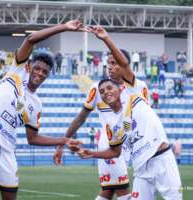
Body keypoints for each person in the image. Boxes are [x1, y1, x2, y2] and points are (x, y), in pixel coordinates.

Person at [0, 20, 84, 200]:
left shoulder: (36, 104)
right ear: (29, 66)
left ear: (48, 75)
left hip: (7, 149)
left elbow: (33, 138)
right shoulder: (17, 72)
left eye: (45, 71)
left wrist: (64, 140)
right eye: (37, 68)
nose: (40, 73)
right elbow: (30, 39)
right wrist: (64, 27)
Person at [54, 26, 148, 200]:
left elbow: (146, 118)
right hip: (110, 143)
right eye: (109, 63)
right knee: (122, 191)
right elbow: (81, 118)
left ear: (124, 65)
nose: (110, 67)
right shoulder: (98, 88)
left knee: (108, 191)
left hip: (134, 145)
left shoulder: (139, 87)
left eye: (115, 63)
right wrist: (62, 143)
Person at [77, 79, 182, 200]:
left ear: (121, 89)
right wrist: (92, 154)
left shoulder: (134, 97)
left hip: (161, 158)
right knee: (113, 191)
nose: (106, 92)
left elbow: (124, 66)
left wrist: (115, 61)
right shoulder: (112, 125)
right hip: (140, 168)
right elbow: (115, 152)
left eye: (110, 88)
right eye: (102, 91)